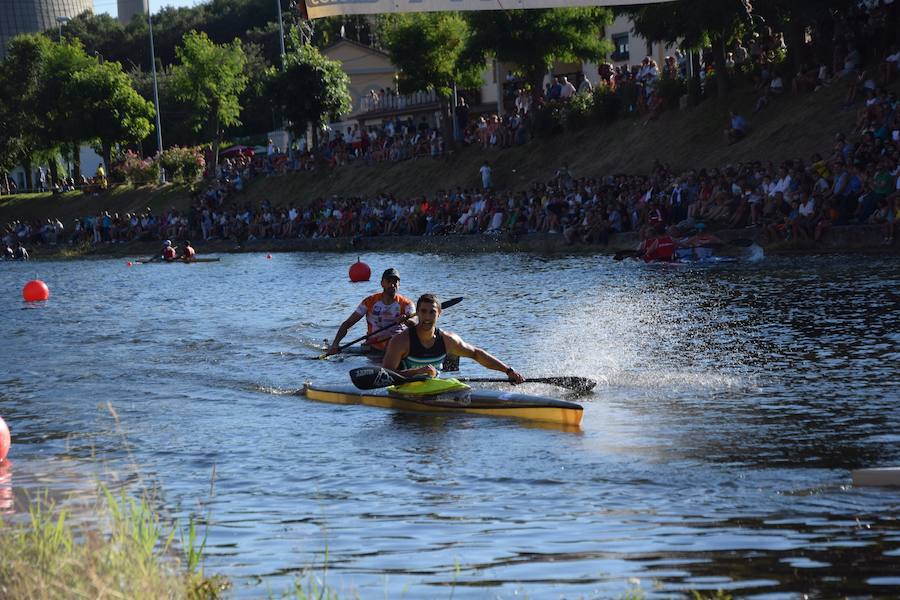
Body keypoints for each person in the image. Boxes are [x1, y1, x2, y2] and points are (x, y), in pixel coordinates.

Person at [383, 293, 525, 383]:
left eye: (432, 312)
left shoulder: (447, 339)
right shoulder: (401, 341)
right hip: (404, 392)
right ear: (417, 313)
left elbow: (476, 354)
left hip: (436, 388)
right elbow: (385, 375)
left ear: (439, 313)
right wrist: (416, 372)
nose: (427, 317)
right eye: (423, 312)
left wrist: (508, 371)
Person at [326, 268, 414, 356]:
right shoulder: (369, 302)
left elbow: (416, 322)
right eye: (388, 281)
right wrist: (335, 344)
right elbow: (348, 323)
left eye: (395, 282)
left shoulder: (407, 303)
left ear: (399, 284)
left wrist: (406, 320)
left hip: (397, 345)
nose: (392, 284)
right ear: (382, 283)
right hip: (373, 346)